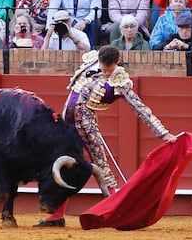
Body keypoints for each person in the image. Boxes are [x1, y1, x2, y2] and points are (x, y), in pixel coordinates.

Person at [34, 45, 178, 227]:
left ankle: (120, 214)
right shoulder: (92, 60)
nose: (105, 72)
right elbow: (83, 50)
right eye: (103, 68)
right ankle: (57, 216)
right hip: (66, 124)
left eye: (108, 70)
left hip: (86, 126)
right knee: (64, 168)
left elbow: (140, 108)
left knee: (102, 169)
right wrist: (69, 33)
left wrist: (163, 133)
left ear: (116, 63)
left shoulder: (121, 82)